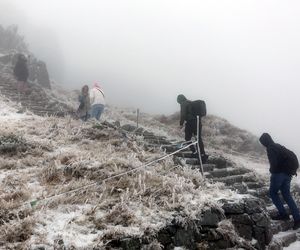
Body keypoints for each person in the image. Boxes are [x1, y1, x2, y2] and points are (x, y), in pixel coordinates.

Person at [259, 133, 300, 230]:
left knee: (273, 193)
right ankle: (297, 219)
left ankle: (283, 214)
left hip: (279, 174)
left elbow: (274, 163)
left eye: (262, 142)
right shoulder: (279, 146)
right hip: (288, 174)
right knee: (287, 195)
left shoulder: (271, 148)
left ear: (265, 141)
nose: (263, 145)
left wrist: (272, 171)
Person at [177, 94, 208, 162]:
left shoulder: (183, 103)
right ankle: (202, 154)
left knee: (187, 138)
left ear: (180, 100)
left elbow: (183, 114)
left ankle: (195, 152)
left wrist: (181, 124)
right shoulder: (190, 102)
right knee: (198, 138)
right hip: (198, 122)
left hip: (190, 123)